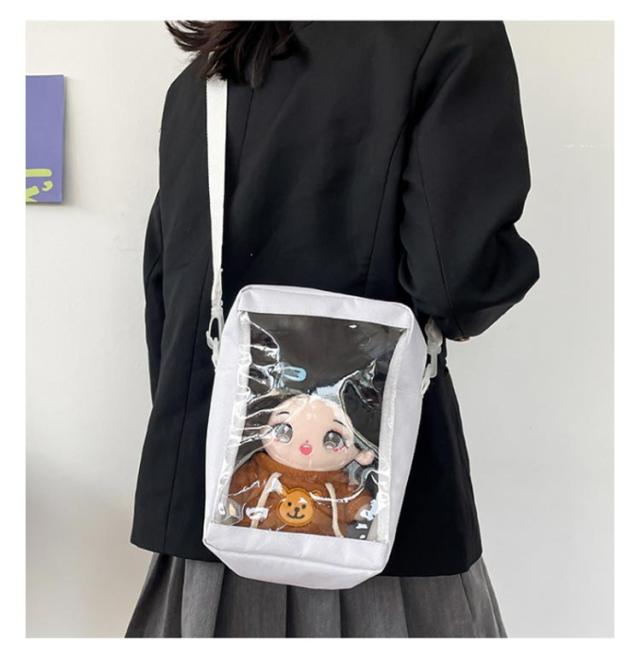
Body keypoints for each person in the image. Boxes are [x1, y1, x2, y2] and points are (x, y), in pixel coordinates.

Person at [126, 20, 539, 638]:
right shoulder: (443, 33)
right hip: (375, 512)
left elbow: (167, 291)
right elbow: (457, 280)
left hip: (218, 502)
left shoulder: (205, 80)